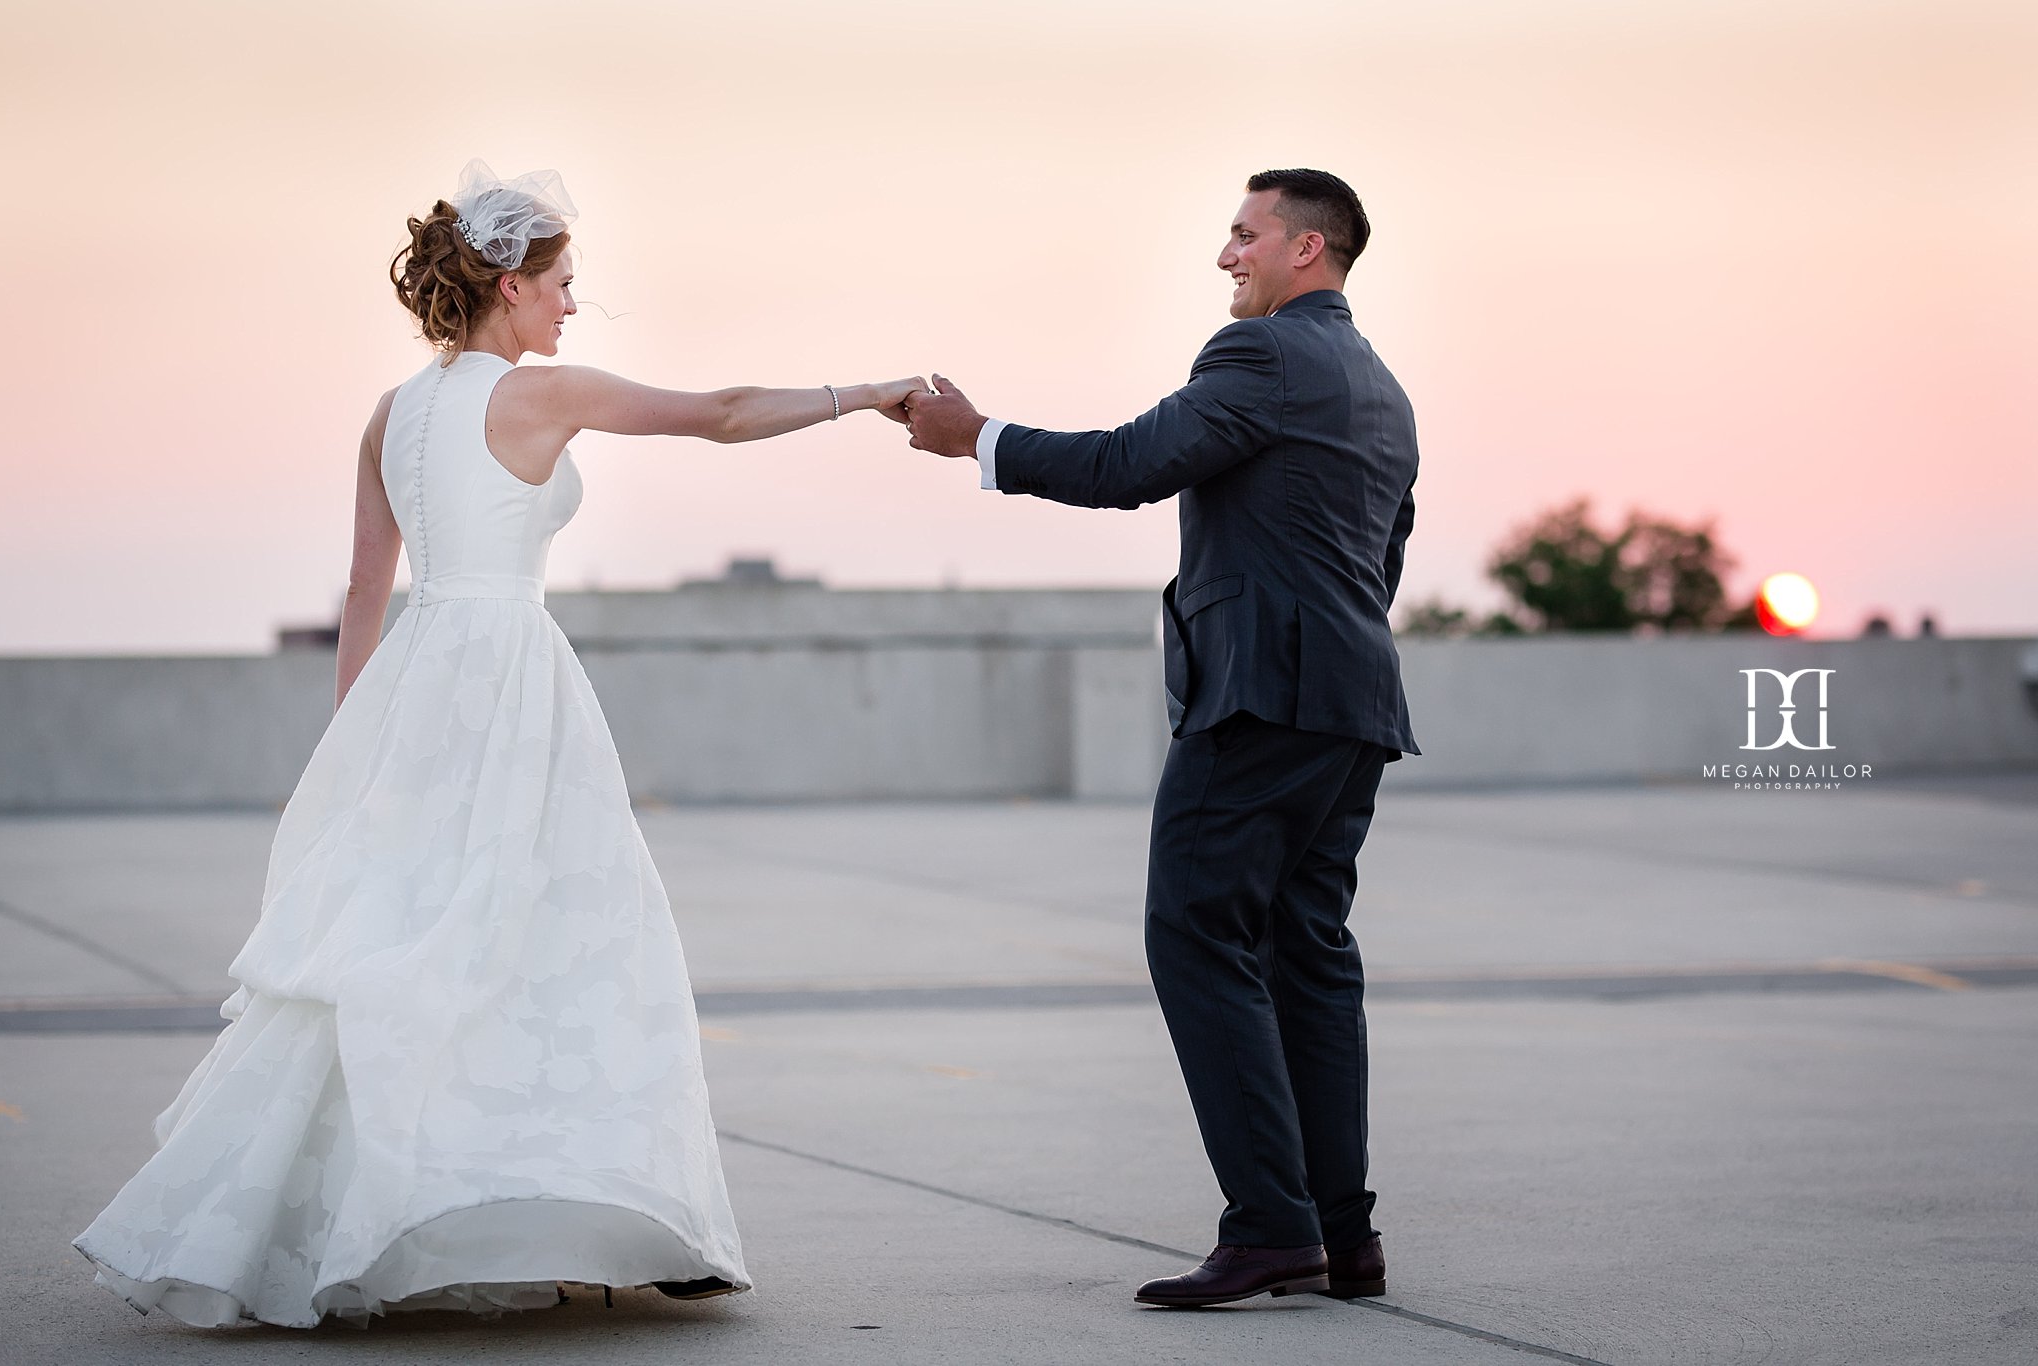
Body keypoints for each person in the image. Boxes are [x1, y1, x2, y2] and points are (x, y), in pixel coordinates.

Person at [71, 159, 926, 1328]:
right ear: (511, 284)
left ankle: (430, 1215)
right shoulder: (540, 394)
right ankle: (570, 1213)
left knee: (403, 943)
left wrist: (354, 743)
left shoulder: (393, 410)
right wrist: (862, 391)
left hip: (416, 686)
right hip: (511, 681)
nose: (573, 305)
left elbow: (366, 591)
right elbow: (721, 415)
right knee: (566, 935)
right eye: (565, 283)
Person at [902, 168, 1419, 1309]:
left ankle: (1272, 1228)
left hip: (1261, 698)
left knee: (1194, 931)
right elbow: (1380, 558)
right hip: (1349, 702)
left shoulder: (1261, 357)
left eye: (1244, 235)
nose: (1224, 255)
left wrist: (972, 436)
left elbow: (1129, 465)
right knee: (1306, 958)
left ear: (1307, 249)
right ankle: (1339, 1234)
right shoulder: (1378, 384)